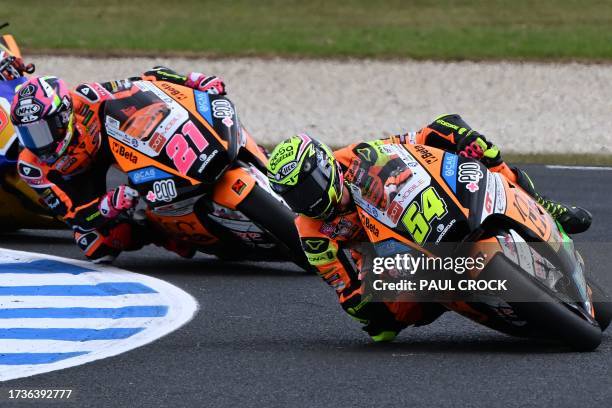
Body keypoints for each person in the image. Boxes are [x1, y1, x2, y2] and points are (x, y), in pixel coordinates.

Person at [265, 115, 592, 342]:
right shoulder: (311, 234)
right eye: (295, 198)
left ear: (325, 167)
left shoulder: (357, 156)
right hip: (383, 253)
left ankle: (543, 204)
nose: (308, 202)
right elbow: (345, 288)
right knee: (388, 323)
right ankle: (450, 296)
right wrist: (366, 308)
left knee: (478, 148)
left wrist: (458, 137)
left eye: (309, 189)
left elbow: (415, 143)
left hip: (416, 210)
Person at [9, 67, 225, 262]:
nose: (38, 143)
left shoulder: (88, 96)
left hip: (111, 144)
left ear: (64, 115)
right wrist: (107, 206)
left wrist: (190, 81)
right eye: (28, 133)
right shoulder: (31, 167)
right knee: (94, 245)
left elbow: (145, 81)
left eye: (42, 130)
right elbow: (74, 217)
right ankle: (160, 232)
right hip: (80, 178)